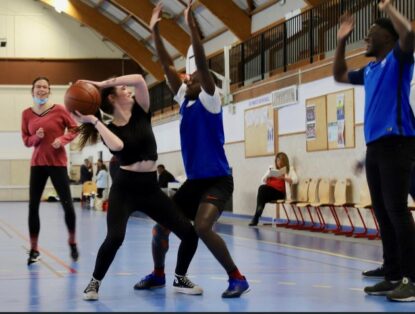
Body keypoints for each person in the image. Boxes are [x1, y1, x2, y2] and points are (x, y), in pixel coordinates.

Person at [134, 1, 249, 298]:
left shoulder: (212, 98)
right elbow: (164, 65)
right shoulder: (185, 100)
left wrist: (192, 26)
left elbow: (200, 60)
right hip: (195, 182)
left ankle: (237, 277)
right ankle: (160, 274)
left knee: (202, 226)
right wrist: (154, 31)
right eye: (187, 76)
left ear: (205, 78)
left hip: (218, 180)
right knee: (161, 227)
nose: (188, 78)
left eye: (194, 75)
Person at [73, 73, 202, 301]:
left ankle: (180, 277)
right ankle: (94, 283)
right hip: (125, 190)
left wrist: (103, 82)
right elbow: (119, 146)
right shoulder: (108, 128)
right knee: (115, 238)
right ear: (112, 99)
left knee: (190, 234)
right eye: (123, 89)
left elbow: (140, 81)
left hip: (150, 189)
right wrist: (95, 121)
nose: (129, 90)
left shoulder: (142, 111)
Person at [333, 0, 415, 301]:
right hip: (375, 147)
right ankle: (392, 273)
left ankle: (412, 279)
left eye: (371, 32)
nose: (365, 38)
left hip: (398, 142)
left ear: (388, 38)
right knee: (383, 212)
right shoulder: (369, 70)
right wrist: (341, 40)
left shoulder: (399, 58)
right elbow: (339, 74)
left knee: (397, 211)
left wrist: (389, 8)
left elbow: (408, 35)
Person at [21, 76, 79, 265]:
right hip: (37, 164)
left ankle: (72, 241)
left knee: (68, 206)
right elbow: (26, 140)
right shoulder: (26, 114)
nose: (41, 90)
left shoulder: (60, 110)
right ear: (33, 90)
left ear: (49, 91)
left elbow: (75, 129)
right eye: (38, 86)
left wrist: (61, 140)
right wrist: (36, 138)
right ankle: (34, 249)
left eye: (45, 87)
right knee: (33, 207)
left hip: (58, 164)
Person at [249, 152, 297, 226]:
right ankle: (258, 213)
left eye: (280, 161)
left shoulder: (289, 169)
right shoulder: (272, 170)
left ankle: (257, 215)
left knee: (262, 192)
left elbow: (296, 179)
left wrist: (284, 178)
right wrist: (268, 175)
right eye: (277, 161)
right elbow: (262, 180)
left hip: (279, 193)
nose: (279, 163)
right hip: (270, 192)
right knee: (262, 188)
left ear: (285, 161)